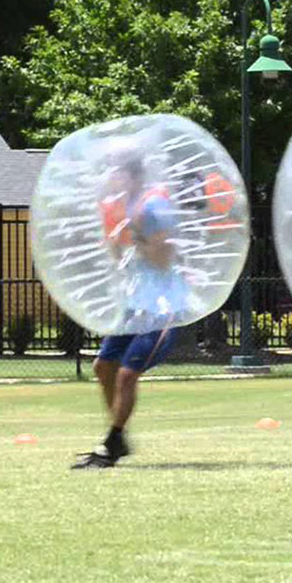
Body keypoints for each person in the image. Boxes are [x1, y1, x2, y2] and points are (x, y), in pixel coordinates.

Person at [74, 145, 187, 469]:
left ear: (131, 174)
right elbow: (124, 262)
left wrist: (133, 234)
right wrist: (115, 242)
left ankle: (112, 441)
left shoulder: (154, 206)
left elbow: (164, 259)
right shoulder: (124, 207)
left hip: (163, 307)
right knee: (103, 367)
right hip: (137, 304)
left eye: (116, 170)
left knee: (126, 375)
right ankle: (117, 437)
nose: (111, 176)